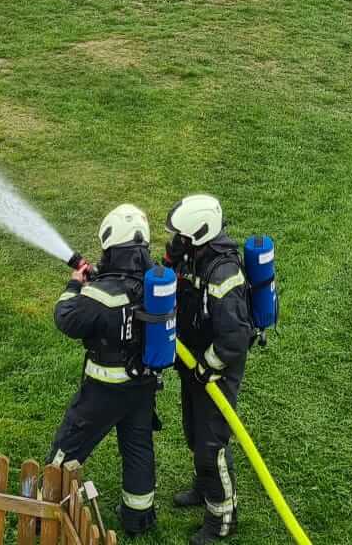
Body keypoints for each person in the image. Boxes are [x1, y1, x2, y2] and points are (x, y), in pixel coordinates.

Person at [44, 204, 161, 536]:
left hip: (104, 390)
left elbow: (67, 319)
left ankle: (46, 509)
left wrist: (73, 286)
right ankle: (138, 516)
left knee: (71, 443)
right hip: (142, 386)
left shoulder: (99, 294)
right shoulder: (155, 283)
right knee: (138, 447)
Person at [165, 194, 252, 542]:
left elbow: (235, 337)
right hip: (194, 361)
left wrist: (208, 366)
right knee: (194, 431)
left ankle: (222, 519)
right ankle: (203, 489)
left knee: (212, 444)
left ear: (200, 234)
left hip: (217, 367)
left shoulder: (224, 273)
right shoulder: (195, 256)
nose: (177, 241)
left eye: (182, 236)